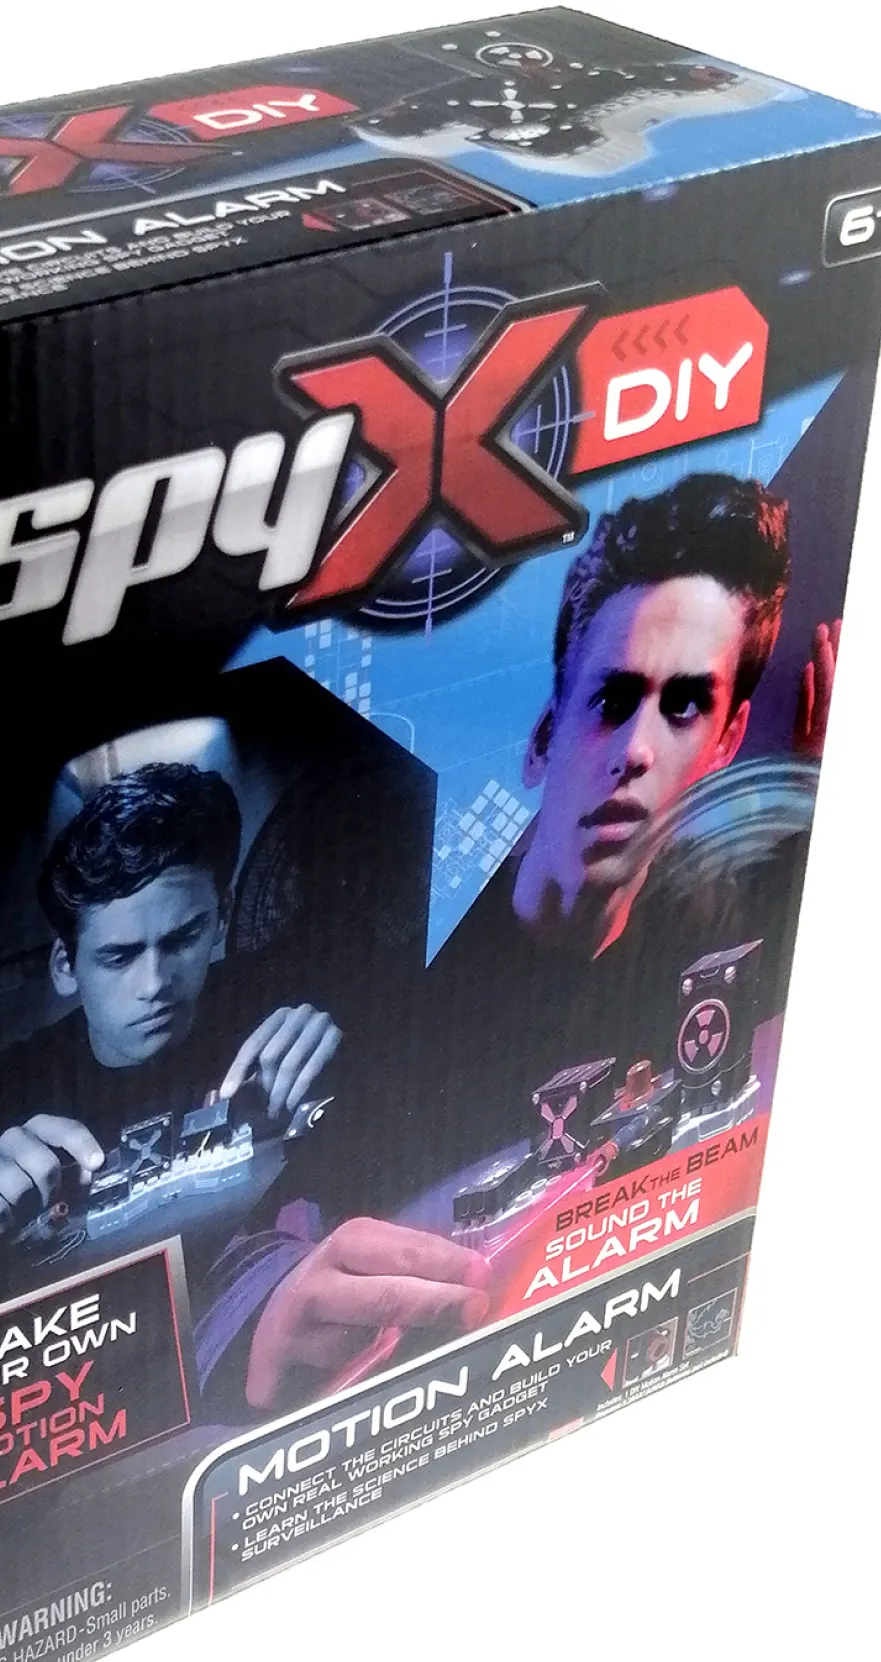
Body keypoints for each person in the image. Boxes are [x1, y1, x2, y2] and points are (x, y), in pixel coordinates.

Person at [235, 473, 814, 1413]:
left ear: (728, 738)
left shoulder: (716, 921)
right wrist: (265, 1308)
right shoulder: (395, 966)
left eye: (683, 707)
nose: (636, 749)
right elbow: (252, 1235)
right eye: (612, 700)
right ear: (544, 737)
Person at [0, 762, 343, 1242]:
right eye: (119, 957)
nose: (155, 983)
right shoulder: (2, 1093)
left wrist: (350, 1041)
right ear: (65, 966)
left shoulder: (291, 988)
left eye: (184, 938)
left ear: (222, 916)